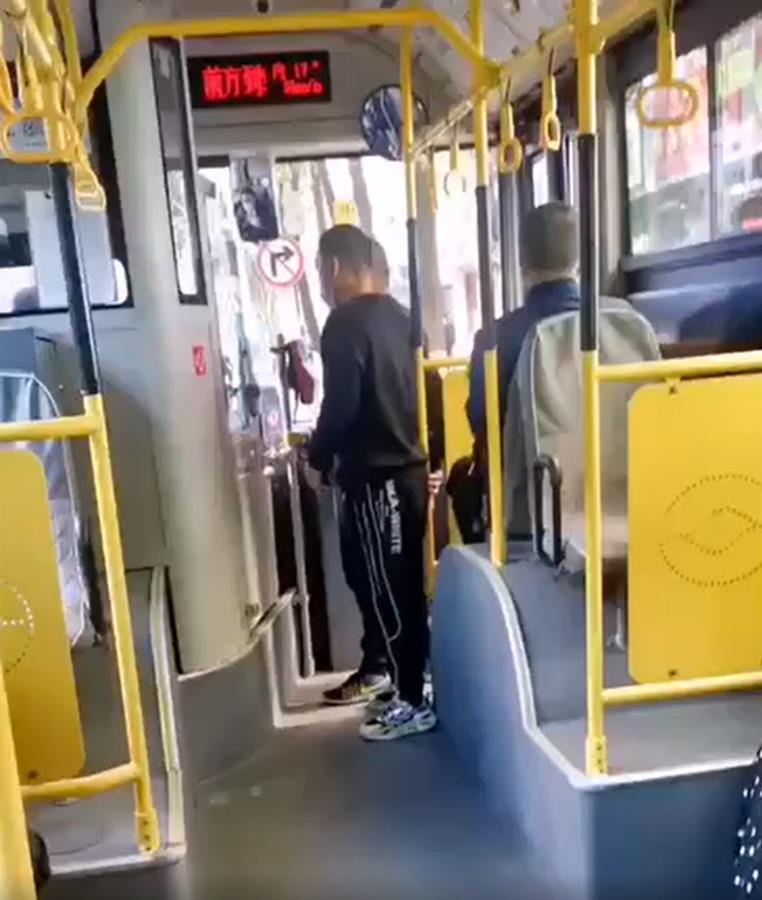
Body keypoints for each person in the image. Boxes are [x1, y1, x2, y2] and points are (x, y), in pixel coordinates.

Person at [308, 224, 436, 741]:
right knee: (401, 586)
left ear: (336, 267)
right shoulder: (407, 320)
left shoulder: (344, 324)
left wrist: (318, 456)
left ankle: (412, 700)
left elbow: (341, 404)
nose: (322, 282)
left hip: (376, 477)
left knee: (388, 590)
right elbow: (428, 391)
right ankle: (409, 683)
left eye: (321, 270)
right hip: (409, 471)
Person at [448, 202, 582, 543]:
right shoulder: (622, 325)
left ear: (523, 260)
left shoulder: (496, 339)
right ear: (578, 257)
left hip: (530, 508)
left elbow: (482, 422)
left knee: (461, 479)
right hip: (615, 498)